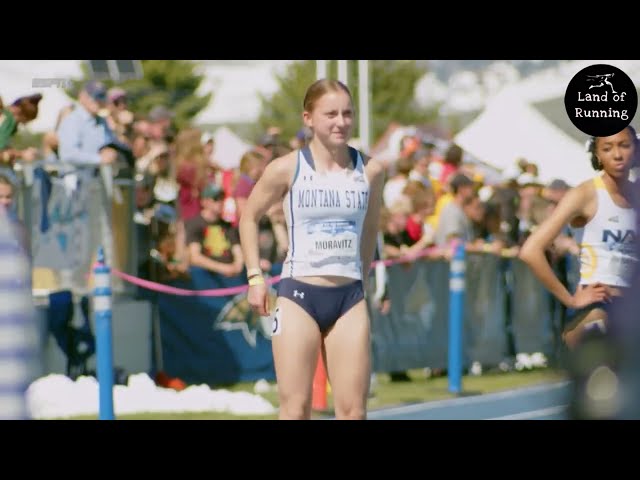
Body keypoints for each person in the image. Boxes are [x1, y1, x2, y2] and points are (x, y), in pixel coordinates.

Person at [238, 79, 385, 420]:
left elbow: (370, 230)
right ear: (308, 118)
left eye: (347, 114)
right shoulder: (287, 168)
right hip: (298, 295)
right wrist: (255, 277)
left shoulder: (372, 171)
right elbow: (249, 217)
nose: (341, 122)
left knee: (353, 411)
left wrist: (362, 278)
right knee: (295, 409)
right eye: (330, 114)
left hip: (349, 298)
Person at [519, 126, 638, 351]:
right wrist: (570, 300)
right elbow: (530, 251)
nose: (617, 154)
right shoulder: (585, 194)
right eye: (607, 148)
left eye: (624, 145)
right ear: (597, 155)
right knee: (603, 374)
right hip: (598, 306)